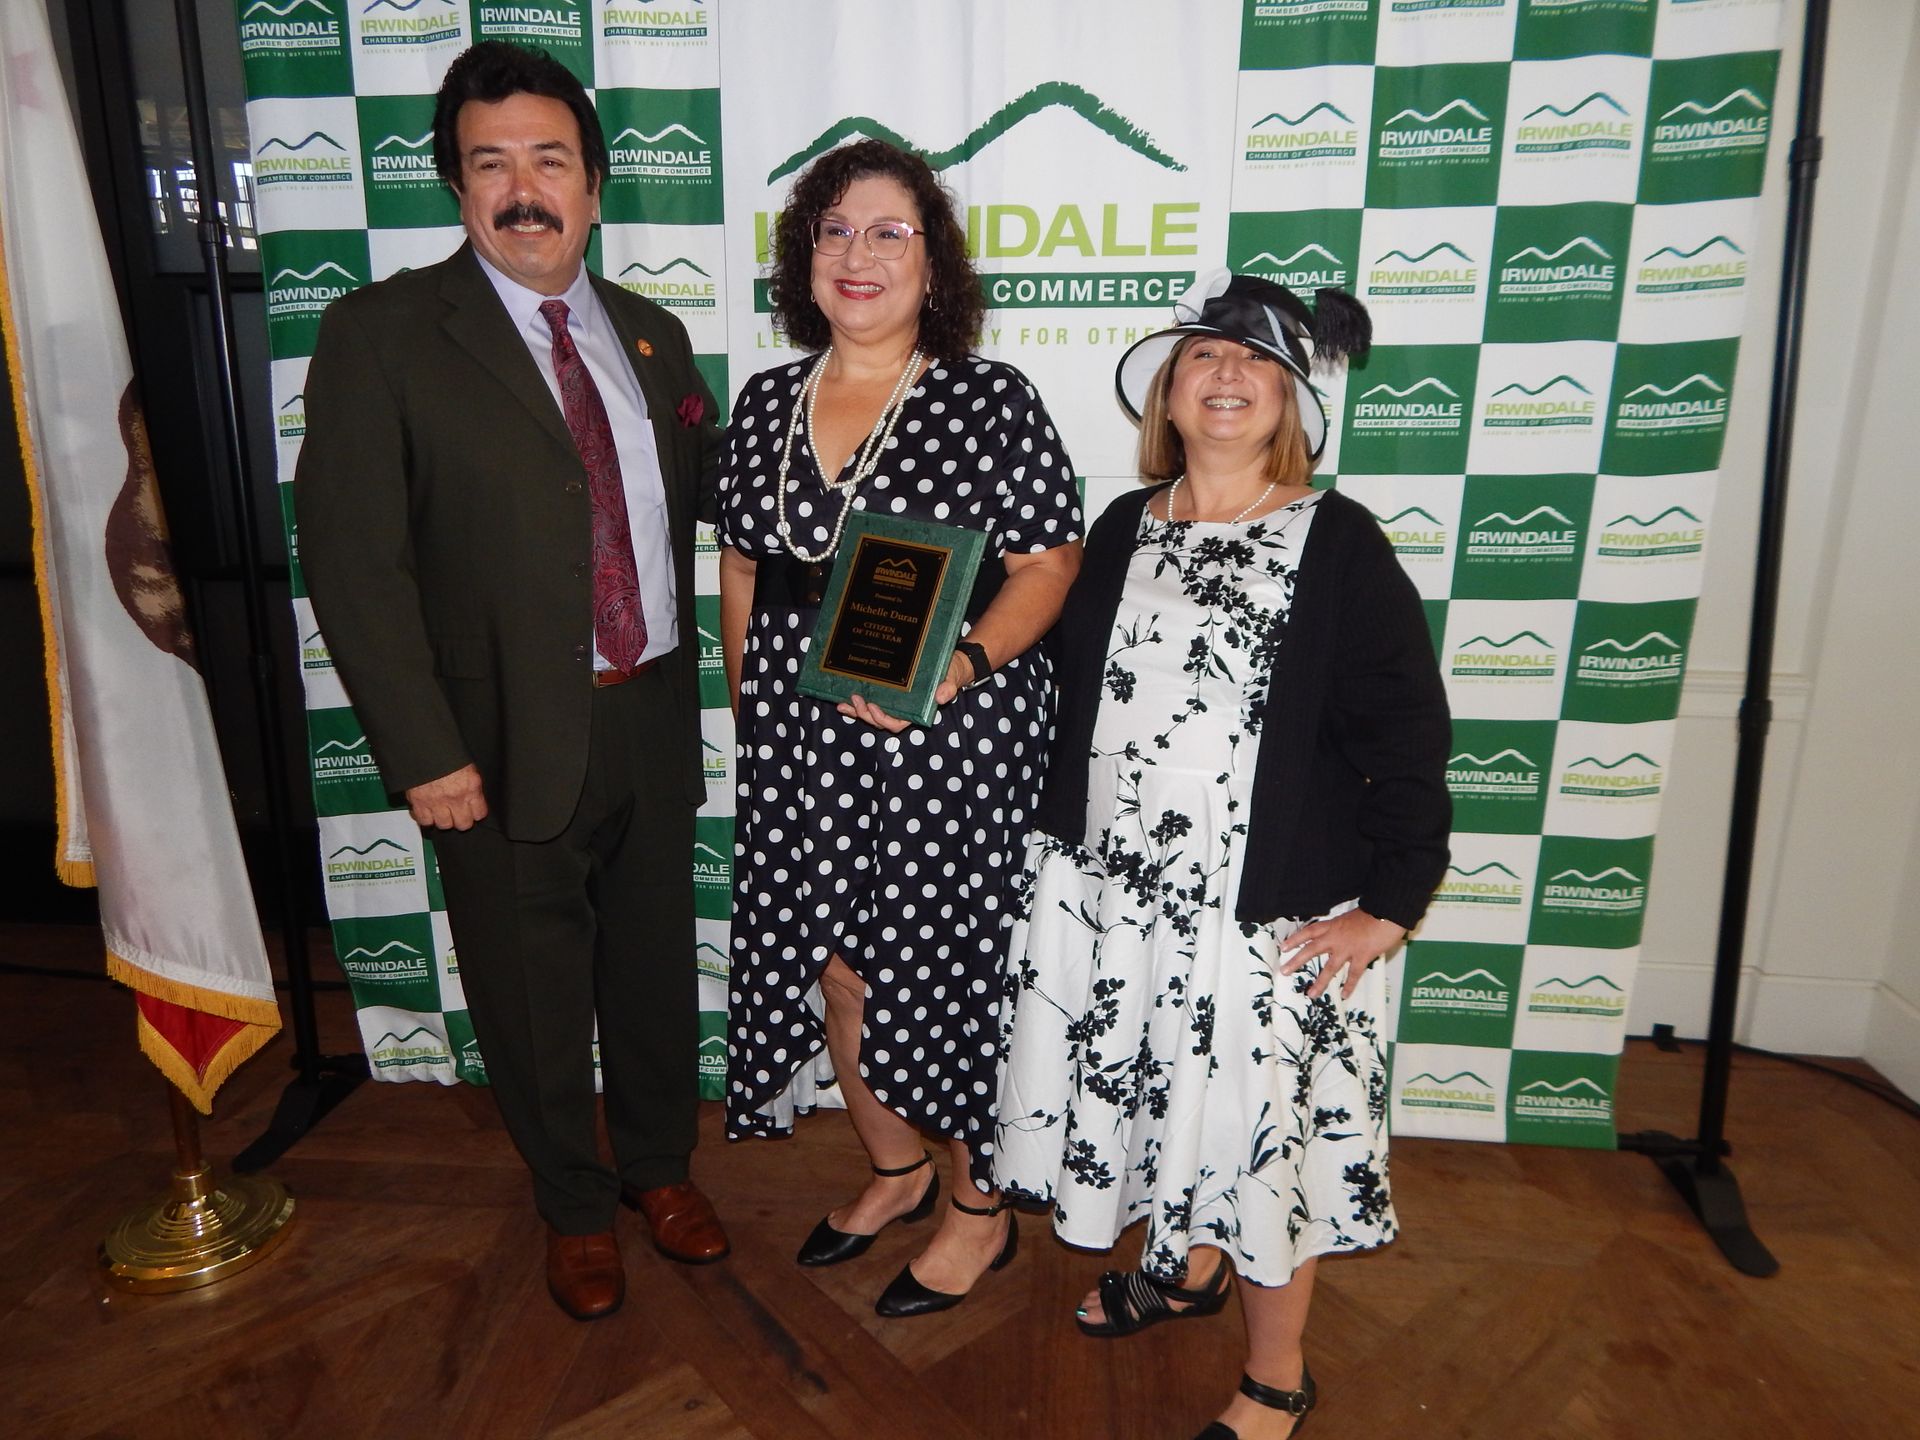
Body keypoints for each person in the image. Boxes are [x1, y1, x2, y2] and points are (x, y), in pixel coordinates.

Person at [295, 41, 728, 1322]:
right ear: (457, 186)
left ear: (593, 185)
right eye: (492, 164)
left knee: (651, 969)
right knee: (530, 992)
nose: (523, 189)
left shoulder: (653, 336)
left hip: (650, 711)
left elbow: (700, 514)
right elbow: (355, 565)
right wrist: (424, 751)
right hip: (490, 738)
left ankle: (658, 1166)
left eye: (550, 160)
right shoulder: (380, 334)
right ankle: (574, 1205)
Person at [994, 271, 1451, 1438]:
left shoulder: (1339, 542)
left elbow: (1406, 730)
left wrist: (1392, 902)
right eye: (1205, 354)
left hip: (1260, 916)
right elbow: (1072, 695)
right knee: (1163, 1106)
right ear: (1168, 390)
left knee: (1260, 1145)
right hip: (1123, 905)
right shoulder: (1121, 526)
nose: (1229, 375)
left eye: (1259, 362)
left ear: (1291, 401)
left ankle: (1277, 1376)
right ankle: (1185, 1269)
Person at [715, 139, 1082, 1317]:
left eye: (888, 231)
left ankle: (978, 1209)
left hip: (948, 740)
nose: (857, 253)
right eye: (833, 230)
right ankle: (895, 1167)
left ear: (934, 263)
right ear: (803, 258)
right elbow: (743, 568)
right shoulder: (765, 401)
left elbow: (1049, 566)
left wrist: (959, 670)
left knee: (938, 972)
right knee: (834, 963)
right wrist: (753, 712)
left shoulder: (988, 400)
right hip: (800, 741)